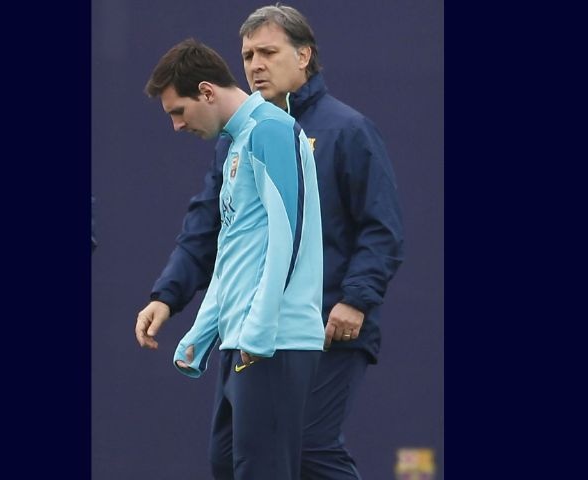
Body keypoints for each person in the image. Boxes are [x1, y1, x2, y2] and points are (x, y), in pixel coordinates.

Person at [136, 4, 405, 478]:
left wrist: (355, 299)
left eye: (268, 52)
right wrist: (169, 294)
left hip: (323, 323)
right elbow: (211, 229)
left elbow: (380, 228)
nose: (256, 64)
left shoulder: (345, 130)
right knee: (241, 458)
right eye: (247, 54)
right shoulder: (238, 138)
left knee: (309, 450)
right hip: (255, 323)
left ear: (305, 56)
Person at [138, 38, 326, 480]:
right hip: (244, 341)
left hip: (273, 341)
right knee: (228, 466)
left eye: (178, 112)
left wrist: (258, 334)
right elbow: (233, 254)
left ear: (206, 92)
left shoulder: (271, 129)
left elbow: (288, 236)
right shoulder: (239, 142)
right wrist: (202, 333)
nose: (177, 127)